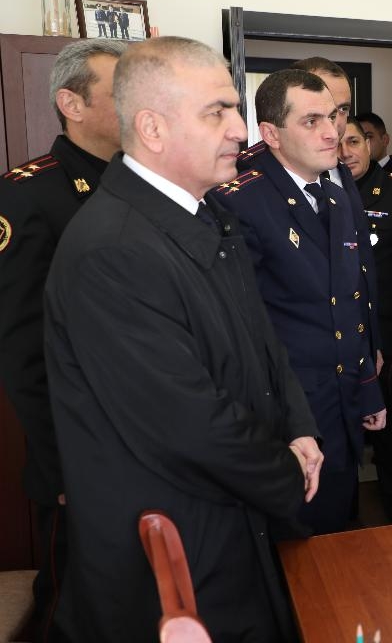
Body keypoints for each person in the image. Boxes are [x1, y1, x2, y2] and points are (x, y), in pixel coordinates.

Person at [43, 36, 322, 642]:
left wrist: (299, 427)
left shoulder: (205, 213)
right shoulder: (112, 250)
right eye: (217, 112)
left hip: (234, 518)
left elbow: (261, 342)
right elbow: (189, 421)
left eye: (235, 109)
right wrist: (286, 472)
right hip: (178, 543)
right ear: (152, 128)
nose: (239, 130)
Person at [212, 70, 385, 534]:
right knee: (298, 545)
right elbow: (242, 328)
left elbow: (352, 299)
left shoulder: (335, 192)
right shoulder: (240, 200)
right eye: (311, 121)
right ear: (271, 134)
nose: (332, 132)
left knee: (338, 531)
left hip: (343, 400)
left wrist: (368, 386)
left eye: (332, 116)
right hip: (288, 417)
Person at [0, 37, 126, 642]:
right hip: (78, 451)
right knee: (72, 606)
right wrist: (61, 462)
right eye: (119, 93)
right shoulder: (28, 193)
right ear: (71, 104)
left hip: (143, 438)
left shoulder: (141, 183)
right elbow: (23, 348)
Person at [340, 116, 392, 522]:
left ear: (370, 145)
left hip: (389, 343)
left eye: (354, 142)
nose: (345, 152)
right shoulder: (316, 192)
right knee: (339, 445)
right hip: (338, 343)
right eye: (337, 144)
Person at [356, 111, 392, 178]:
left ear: (385, 140)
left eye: (369, 136)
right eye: (355, 140)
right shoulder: (350, 176)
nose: (363, 144)